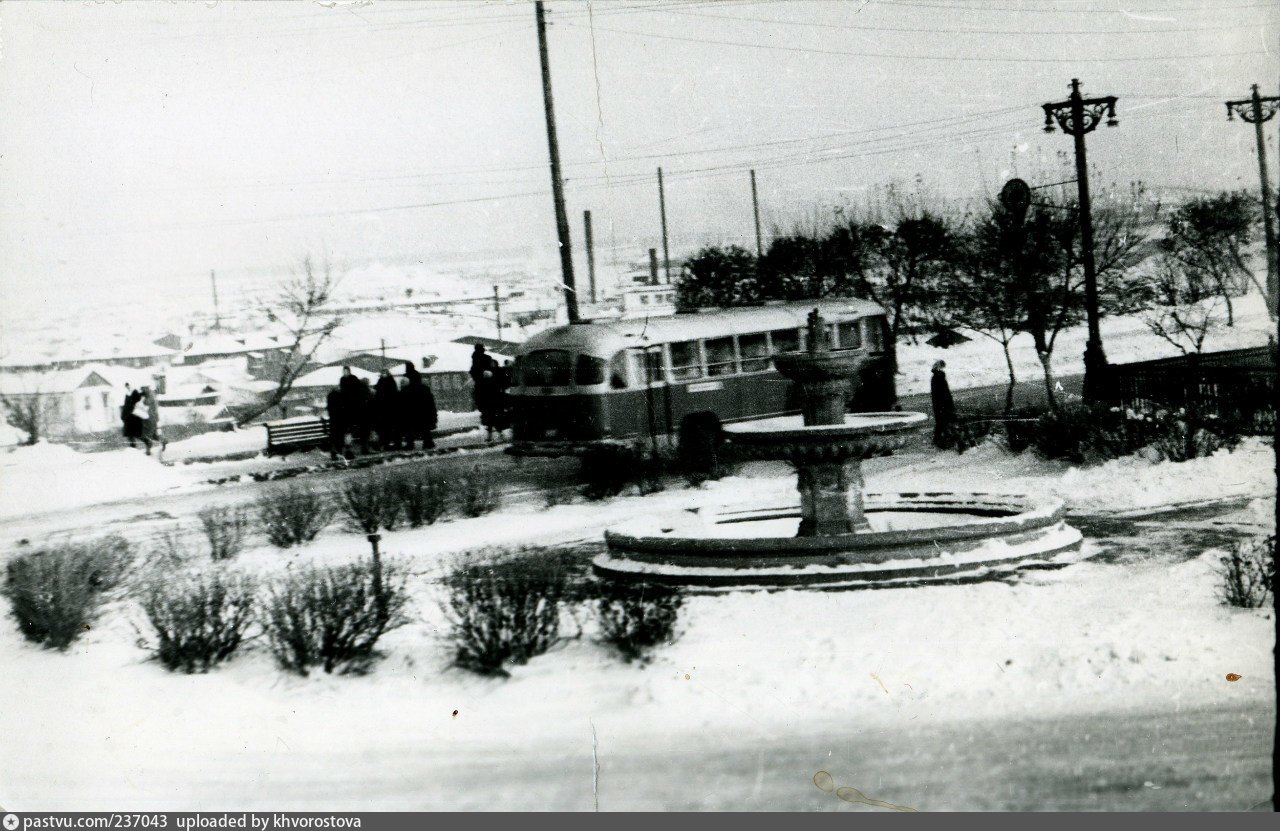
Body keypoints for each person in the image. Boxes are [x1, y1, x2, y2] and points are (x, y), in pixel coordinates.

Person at [402, 360, 438, 450]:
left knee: (409, 427)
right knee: (424, 427)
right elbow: (430, 401)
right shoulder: (422, 385)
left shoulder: (407, 384)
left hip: (411, 408)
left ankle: (410, 444)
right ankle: (428, 443)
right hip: (422, 408)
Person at [930, 359, 956, 450]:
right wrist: (948, 404)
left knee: (941, 423)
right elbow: (944, 393)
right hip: (943, 404)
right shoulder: (939, 377)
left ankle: (937, 440)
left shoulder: (936, 377)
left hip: (939, 405)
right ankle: (940, 441)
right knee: (943, 423)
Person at [373, 368, 401, 451]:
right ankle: (386, 444)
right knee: (385, 428)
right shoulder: (381, 381)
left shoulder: (391, 381)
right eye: (383, 372)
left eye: (385, 372)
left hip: (389, 408)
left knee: (390, 427)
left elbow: (393, 394)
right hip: (382, 408)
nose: (384, 374)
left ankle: (391, 443)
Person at [325, 384, 346, 460]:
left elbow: (329, 407)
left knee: (334, 437)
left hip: (333, 420)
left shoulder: (330, 396)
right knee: (340, 437)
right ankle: (339, 452)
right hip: (340, 419)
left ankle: (334, 453)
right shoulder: (340, 395)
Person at [138, 384, 161, 456]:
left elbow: (146, 403)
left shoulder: (151, 395)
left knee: (148, 434)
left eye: (143, 389)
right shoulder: (149, 394)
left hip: (152, 417)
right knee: (151, 435)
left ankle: (148, 450)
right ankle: (163, 441)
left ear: (147, 388)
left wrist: (142, 398)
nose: (142, 391)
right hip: (148, 417)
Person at [120, 383, 143, 448]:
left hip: (134, 415)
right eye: (126, 386)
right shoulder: (127, 394)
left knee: (136, 433)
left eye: (128, 385)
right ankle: (133, 446)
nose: (128, 387)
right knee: (130, 433)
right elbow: (125, 405)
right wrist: (123, 415)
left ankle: (146, 443)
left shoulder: (135, 392)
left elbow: (138, 402)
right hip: (128, 416)